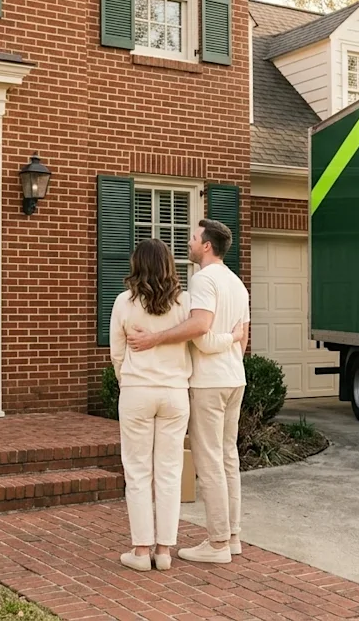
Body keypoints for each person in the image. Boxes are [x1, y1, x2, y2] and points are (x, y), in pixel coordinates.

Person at [109, 238, 245, 572]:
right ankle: (165, 551)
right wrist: (234, 337)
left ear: (136, 265)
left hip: (138, 392)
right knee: (170, 472)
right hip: (175, 394)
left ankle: (141, 551)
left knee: (138, 472)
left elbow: (116, 353)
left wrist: (127, 380)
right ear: (169, 266)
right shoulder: (185, 303)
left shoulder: (123, 302)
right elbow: (200, 342)